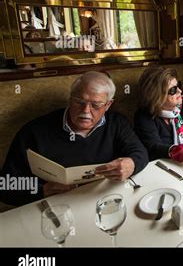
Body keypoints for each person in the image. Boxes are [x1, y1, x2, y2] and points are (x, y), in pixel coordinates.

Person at [0, 71, 149, 206]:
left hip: (104, 200)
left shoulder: (117, 123)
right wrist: (41, 189)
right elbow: (5, 185)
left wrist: (132, 163)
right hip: (56, 208)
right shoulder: (33, 132)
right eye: (79, 102)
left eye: (95, 105)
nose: (86, 111)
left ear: (108, 104)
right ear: (70, 99)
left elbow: (140, 152)